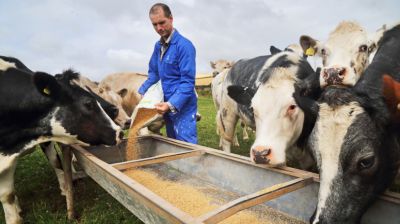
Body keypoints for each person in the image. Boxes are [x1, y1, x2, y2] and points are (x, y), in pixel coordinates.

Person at [138, 3, 197, 144]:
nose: (159, 28)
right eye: (154, 25)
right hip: (165, 104)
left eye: (162, 22)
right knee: (172, 143)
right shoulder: (158, 46)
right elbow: (154, 73)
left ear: (171, 19)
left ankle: (191, 166)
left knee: (186, 145)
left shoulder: (184, 46)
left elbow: (188, 82)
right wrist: (142, 90)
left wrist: (171, 104)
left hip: (182, 106)